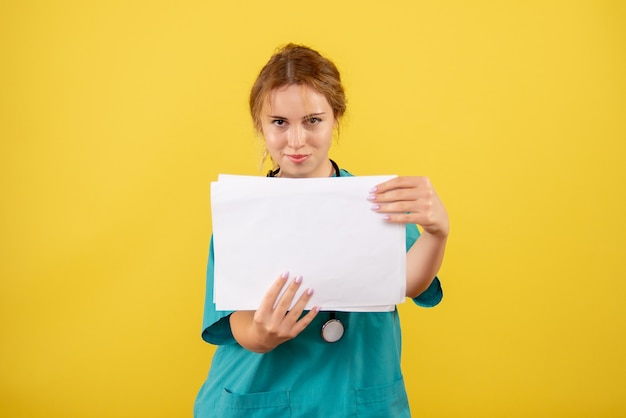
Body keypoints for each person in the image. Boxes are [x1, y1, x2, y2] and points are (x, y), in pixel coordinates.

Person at [194, 43, 449, 417]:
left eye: (313, 120)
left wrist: (436, 234)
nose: (296, 141)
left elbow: (410, 283)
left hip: (356, 400)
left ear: (335, 118)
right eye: (279, 122)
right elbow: (237, 323)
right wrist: (262, 336)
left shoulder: (373, 201)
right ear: (260, 126)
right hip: (259, 399)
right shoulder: (242, 211)